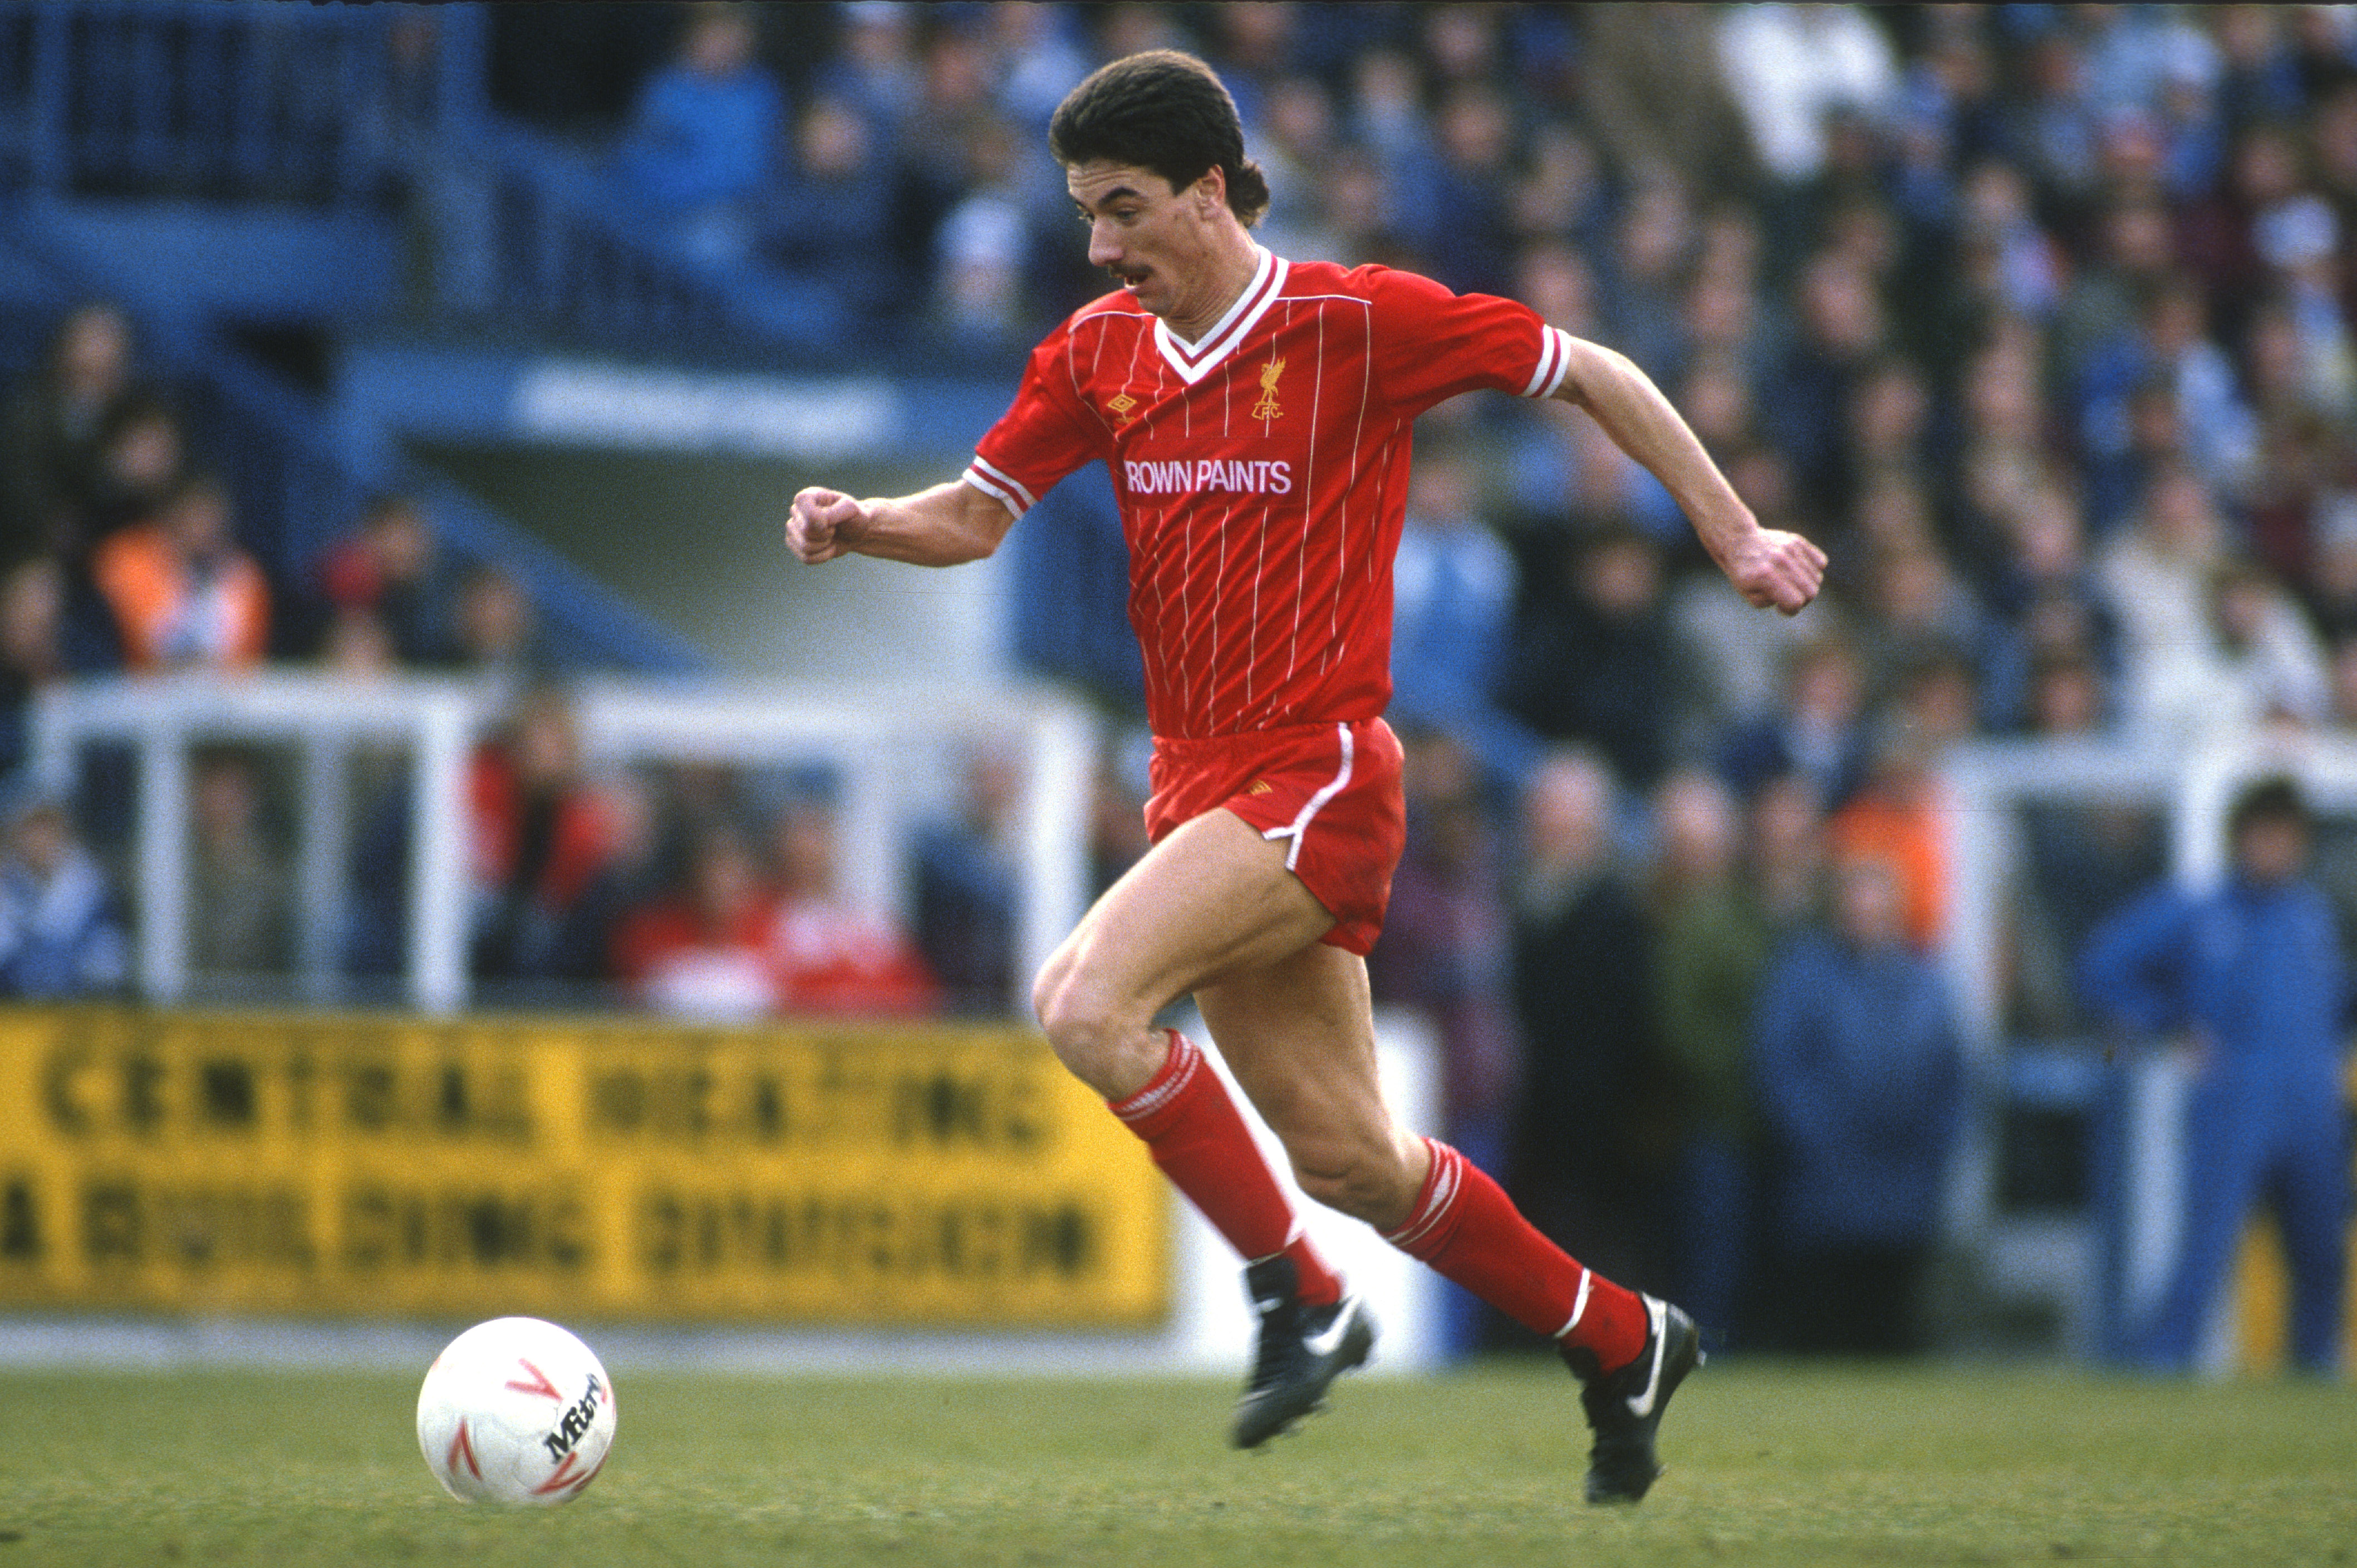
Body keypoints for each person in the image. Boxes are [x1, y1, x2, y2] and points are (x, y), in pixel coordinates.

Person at [785, 50, 1824, 1502]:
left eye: (1125, 208)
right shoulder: (1098, 351)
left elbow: (1594, 370)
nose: (1100, 245)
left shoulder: (1352, 322)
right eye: (1085, 214)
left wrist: (1733, 535)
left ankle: (1297, 1298)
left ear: (1210, 194)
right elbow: (973, 515)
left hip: (1320, 773)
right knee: (1353, 1156)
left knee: (1085, 1001)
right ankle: (1619, 1335)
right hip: (1198, 791)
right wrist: (857, 522)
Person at [2077, 776, 2350, 1375]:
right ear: (2239, 837)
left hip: (2310, 1108)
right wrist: (2169, 1024)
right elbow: (2100, 966)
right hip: (2233, 1104)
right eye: (2265, 833)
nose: (2276, 848)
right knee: (2204, 1253)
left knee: (2320, 1256)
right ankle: (2158, 1371)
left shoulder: (2311, 916)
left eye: (2287, 836)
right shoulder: (2198, 911)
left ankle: (2313, 1376)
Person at [1750, 853, 1965, 1355]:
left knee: (1893, 1323)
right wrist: (1819, 1144)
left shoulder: (1927, 984)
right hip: (1825, 1187)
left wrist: (1933, 1153)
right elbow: (1782, 1069)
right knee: (1828, 1325)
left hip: (1905, 1187)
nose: (1865, 915)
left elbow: (1952, 1079)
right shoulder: (1803, 975)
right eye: (1855, 904)